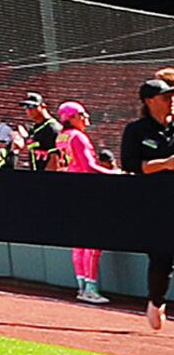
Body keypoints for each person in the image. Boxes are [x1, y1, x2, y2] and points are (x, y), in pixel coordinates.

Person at [120, 78, 174, 332]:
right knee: (162, 256)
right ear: (149, 101)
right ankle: (156, 300)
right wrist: (164, 164)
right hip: (154, 203)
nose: (171, 101)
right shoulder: (136, 130)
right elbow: (130, 165)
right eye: (165, 97)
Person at [50, 99, 106, 303]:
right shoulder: (78, 137)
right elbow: (89, 166)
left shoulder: (62, 137)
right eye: (81, 113)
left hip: (72, 192)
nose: (86, 117)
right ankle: (90, 288)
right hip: (86, 193)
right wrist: (115, 173)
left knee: (79, 244)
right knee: (93, 243)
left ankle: (82, 286)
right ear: (71, 117)